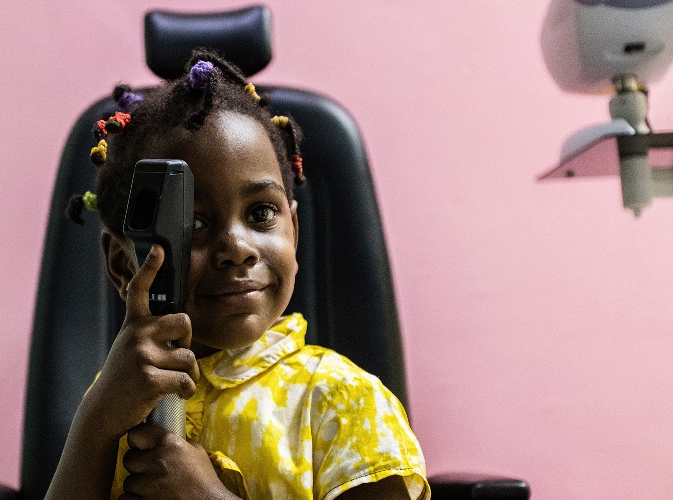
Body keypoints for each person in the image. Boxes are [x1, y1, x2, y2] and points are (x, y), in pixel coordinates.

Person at [46, 49, 429, 500]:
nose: (237, 249)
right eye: (192, 223)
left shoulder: (343, 402)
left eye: (261, 213)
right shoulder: (120, 397)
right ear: (122, 263)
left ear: (295, 229)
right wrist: (95, 422)